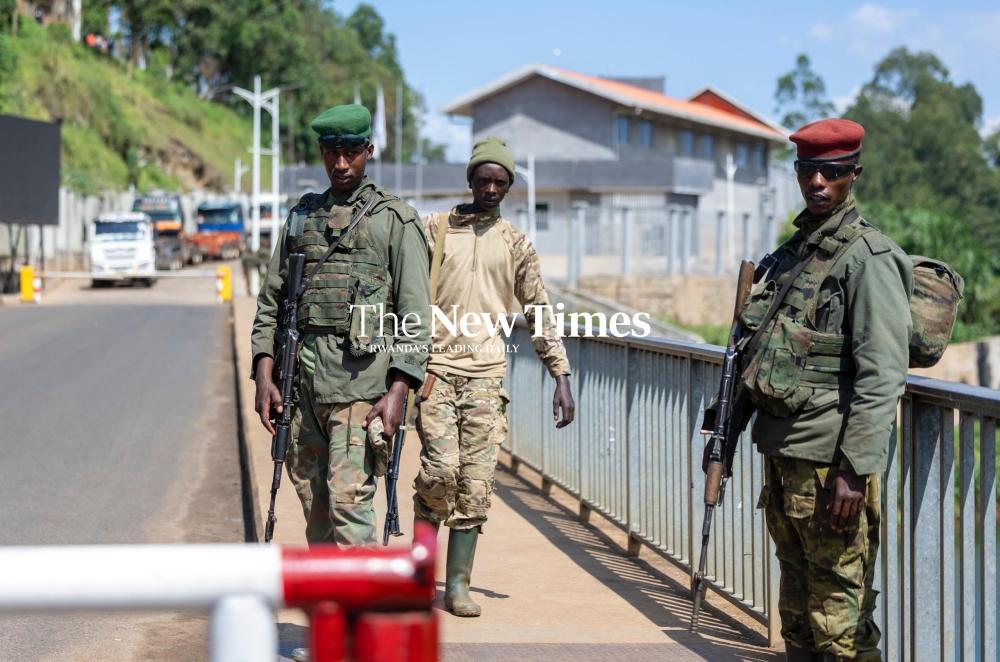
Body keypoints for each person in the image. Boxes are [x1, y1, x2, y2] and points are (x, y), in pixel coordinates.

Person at [742, 119, 912, 661]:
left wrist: (855, 469)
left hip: (829, 466)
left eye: (832, 172)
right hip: (784, 455)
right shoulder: (796, 253)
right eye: (808, 170)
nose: (818, 181)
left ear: (853, 175)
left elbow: (882, 373)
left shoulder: (869, 257)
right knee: (796, 611)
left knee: (839, 622)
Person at [250, 104, 430, 549]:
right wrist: (264, 373)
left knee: (350, 504)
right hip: (303, 389)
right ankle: (334, 611)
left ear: (368, 150)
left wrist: (398, 392)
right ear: (321, 152)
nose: (341, 163)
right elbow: (271, 303)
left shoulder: (395, 221)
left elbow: (415, 318)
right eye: (332, 152)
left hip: (361, 391)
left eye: (351, 151)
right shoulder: (300, 219)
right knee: (317, 509)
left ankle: (364, 615)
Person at [414, 136, 575, 617]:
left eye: (500, 182)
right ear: (469, 180)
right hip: (437, 373)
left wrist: (560, 373)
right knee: (439, 473)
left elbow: (539, 309)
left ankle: (457, 584)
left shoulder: (516, 244)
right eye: (483, 179)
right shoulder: (433, 230)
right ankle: (420, 576)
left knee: (476, 484)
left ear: (508, 187)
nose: (491, 188)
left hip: (486, 379)